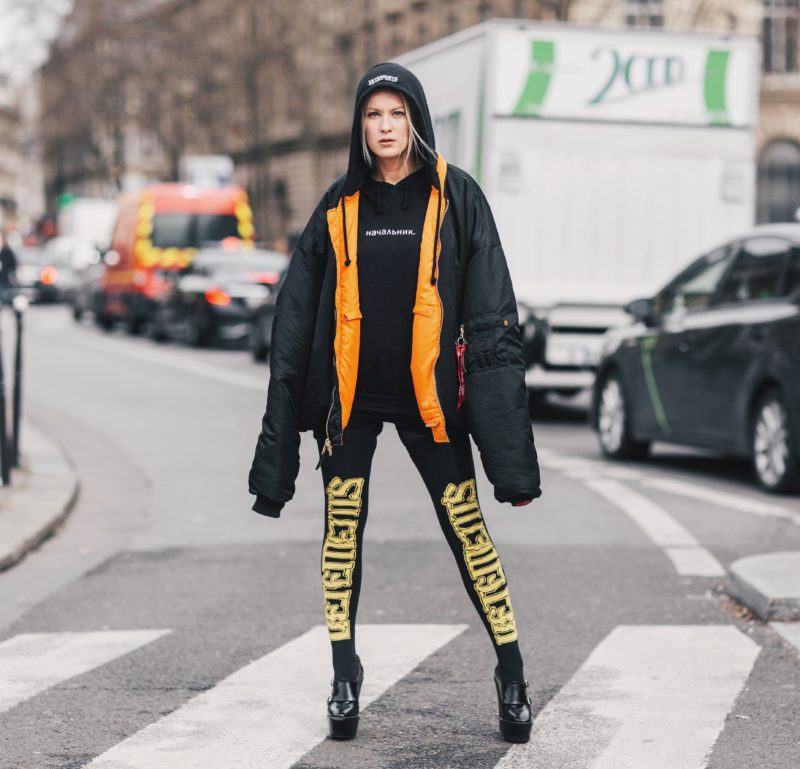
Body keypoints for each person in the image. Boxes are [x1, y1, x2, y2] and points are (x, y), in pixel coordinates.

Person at [248, 62, 541, 743]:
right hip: (348, 404)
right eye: (373, 115)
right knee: (341, 534)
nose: (384, 127)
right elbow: (292, 325)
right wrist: (278, 452)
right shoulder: (339, 206)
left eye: (395, 114)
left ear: (416, 120)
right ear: (361, 125)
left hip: (430, 402)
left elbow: (494, 317)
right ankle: (343, 672)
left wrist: (510, 458)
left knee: (469, 535)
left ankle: (512, 671)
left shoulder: (455, 195)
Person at [0, 231, 18, 306]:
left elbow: (13, 264)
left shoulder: (7, 251)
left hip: (4, 277)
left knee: (3, 293)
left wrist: (12, 273)